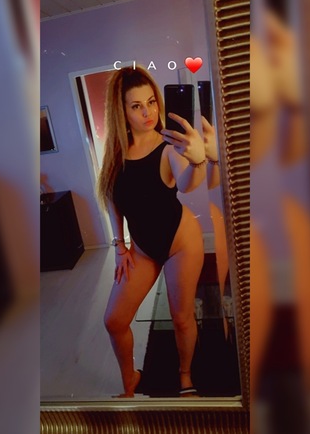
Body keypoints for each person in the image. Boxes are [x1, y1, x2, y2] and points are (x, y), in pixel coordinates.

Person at [97, 65, 214, 397]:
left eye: (151, 102)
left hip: (181, 242)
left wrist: (197, 160)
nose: (148, 112)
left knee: (181, 317)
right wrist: (119, 245)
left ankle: (185, 375)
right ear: (121, 111)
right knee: (114, 321)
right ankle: (130, 382)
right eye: (136, 106)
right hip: (143, 249)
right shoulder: (116, 153)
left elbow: (187, 184)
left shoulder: (168, 146)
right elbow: (112, 198)